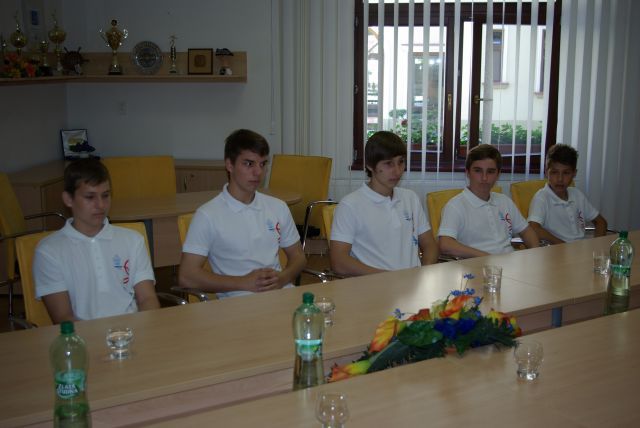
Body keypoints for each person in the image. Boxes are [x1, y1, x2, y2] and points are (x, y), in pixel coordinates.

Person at [178, 129, 306, 298]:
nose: (258, 172)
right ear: (229, 165)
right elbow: (187, 276)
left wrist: (282, 278)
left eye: (263, 164)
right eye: (249, 164)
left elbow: (298, 256)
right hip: (238, 301)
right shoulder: (207, 215)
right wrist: (243, 282)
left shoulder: (278, 207)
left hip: (280, 295)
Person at [34, 159, 160, 323]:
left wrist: (149, 328)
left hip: (132, 331)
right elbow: (63, 317)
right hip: (84, 335)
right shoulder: (49, 251)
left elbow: (147, 299)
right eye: (90, 197)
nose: (100, 205)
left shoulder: (133, 240)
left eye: (105, 195)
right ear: (68, 199)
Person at [329, 131, 439, 277]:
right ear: (370, 165)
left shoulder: (410, 198)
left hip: (412, 284)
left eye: (401, 162)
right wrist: (389, 279)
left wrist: (423, 273)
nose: (397, 171)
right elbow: (339, 263)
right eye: (388, 164)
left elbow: (430, 245)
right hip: (375, 285)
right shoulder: (350, 205)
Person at [438, 144, 539, 258]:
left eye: (490, 172)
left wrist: (535, 255)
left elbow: (527, 231)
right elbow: (445, 245)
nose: (484, 178)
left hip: (509, 262)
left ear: (498, 175)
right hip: (477, 264)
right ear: (467, 172)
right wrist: (489, 258)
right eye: (478, 171)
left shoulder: (504, 201)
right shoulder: (455, 206)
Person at [528, 144, 608, 244]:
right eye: (554, 172)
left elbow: (601, 222)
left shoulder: (577, 194)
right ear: (546, 172)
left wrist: (596, 245)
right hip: (556, 250)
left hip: (580, 248)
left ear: (574, 173)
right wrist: (563, 246)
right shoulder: (542, 198)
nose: (560, 179)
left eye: (566, 173)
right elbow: (534, 228)